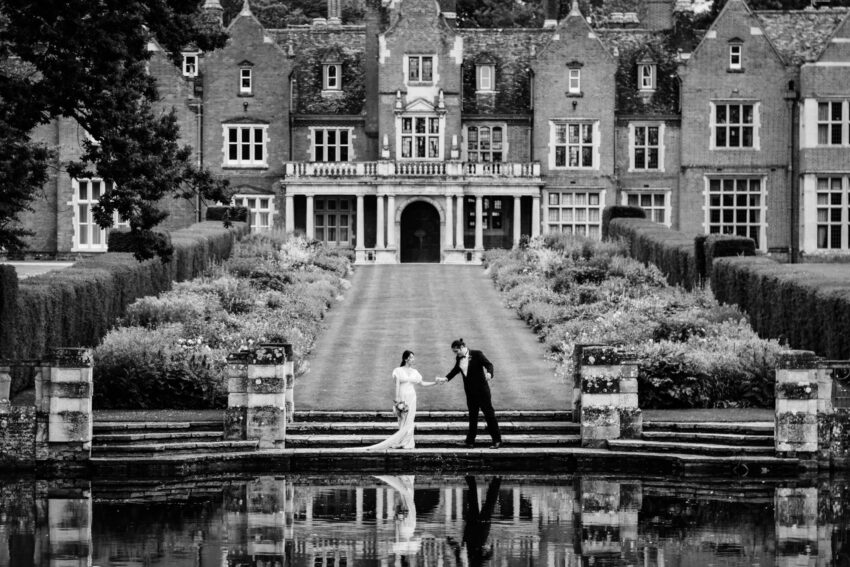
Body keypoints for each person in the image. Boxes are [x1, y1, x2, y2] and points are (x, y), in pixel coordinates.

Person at [436, 338, 502, 449]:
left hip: (482, 391)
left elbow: (489, 365)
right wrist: (445, 379)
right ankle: (470, 442)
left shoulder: (477, 354)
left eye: (456, 351)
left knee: (489, 415)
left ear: (461, 347)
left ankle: (497, 441)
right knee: (472, 417)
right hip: (470, 392)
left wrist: (489, 374)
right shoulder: (459, 357)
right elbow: (456, 369)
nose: (455, 354)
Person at [365, 350, 436, 450]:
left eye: (413, 357)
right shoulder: (398, 370)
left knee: (410, 420)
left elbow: (422, 383)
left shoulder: (415, 372)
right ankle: (401, 441)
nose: (413, 359)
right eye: (411, 357)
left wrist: (435, 383)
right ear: (406, 359)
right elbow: (397, 385)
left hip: (412, 398)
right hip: (402, 397)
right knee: (402, 419)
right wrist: (397, 399)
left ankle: (408, 443)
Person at [447, 475, 502, 566]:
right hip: (474, 532)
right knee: (477, 504)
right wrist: (451, 542)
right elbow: (458, 552)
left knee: (486, 504)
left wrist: (492, 547)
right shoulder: (475, 563)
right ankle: (472, 479)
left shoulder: (472, 563)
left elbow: (458, 553)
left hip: (478, 532)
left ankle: (495, 480)